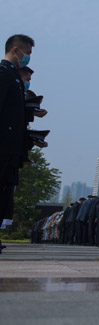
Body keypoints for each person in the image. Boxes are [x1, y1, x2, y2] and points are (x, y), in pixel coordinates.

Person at [0, 34, 35, 250]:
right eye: (27, 53)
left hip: (11, 147)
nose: (27, 57)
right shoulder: (4, 73)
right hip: (3, 144)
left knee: (5, 191)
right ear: (15, 50)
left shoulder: (13, 76)